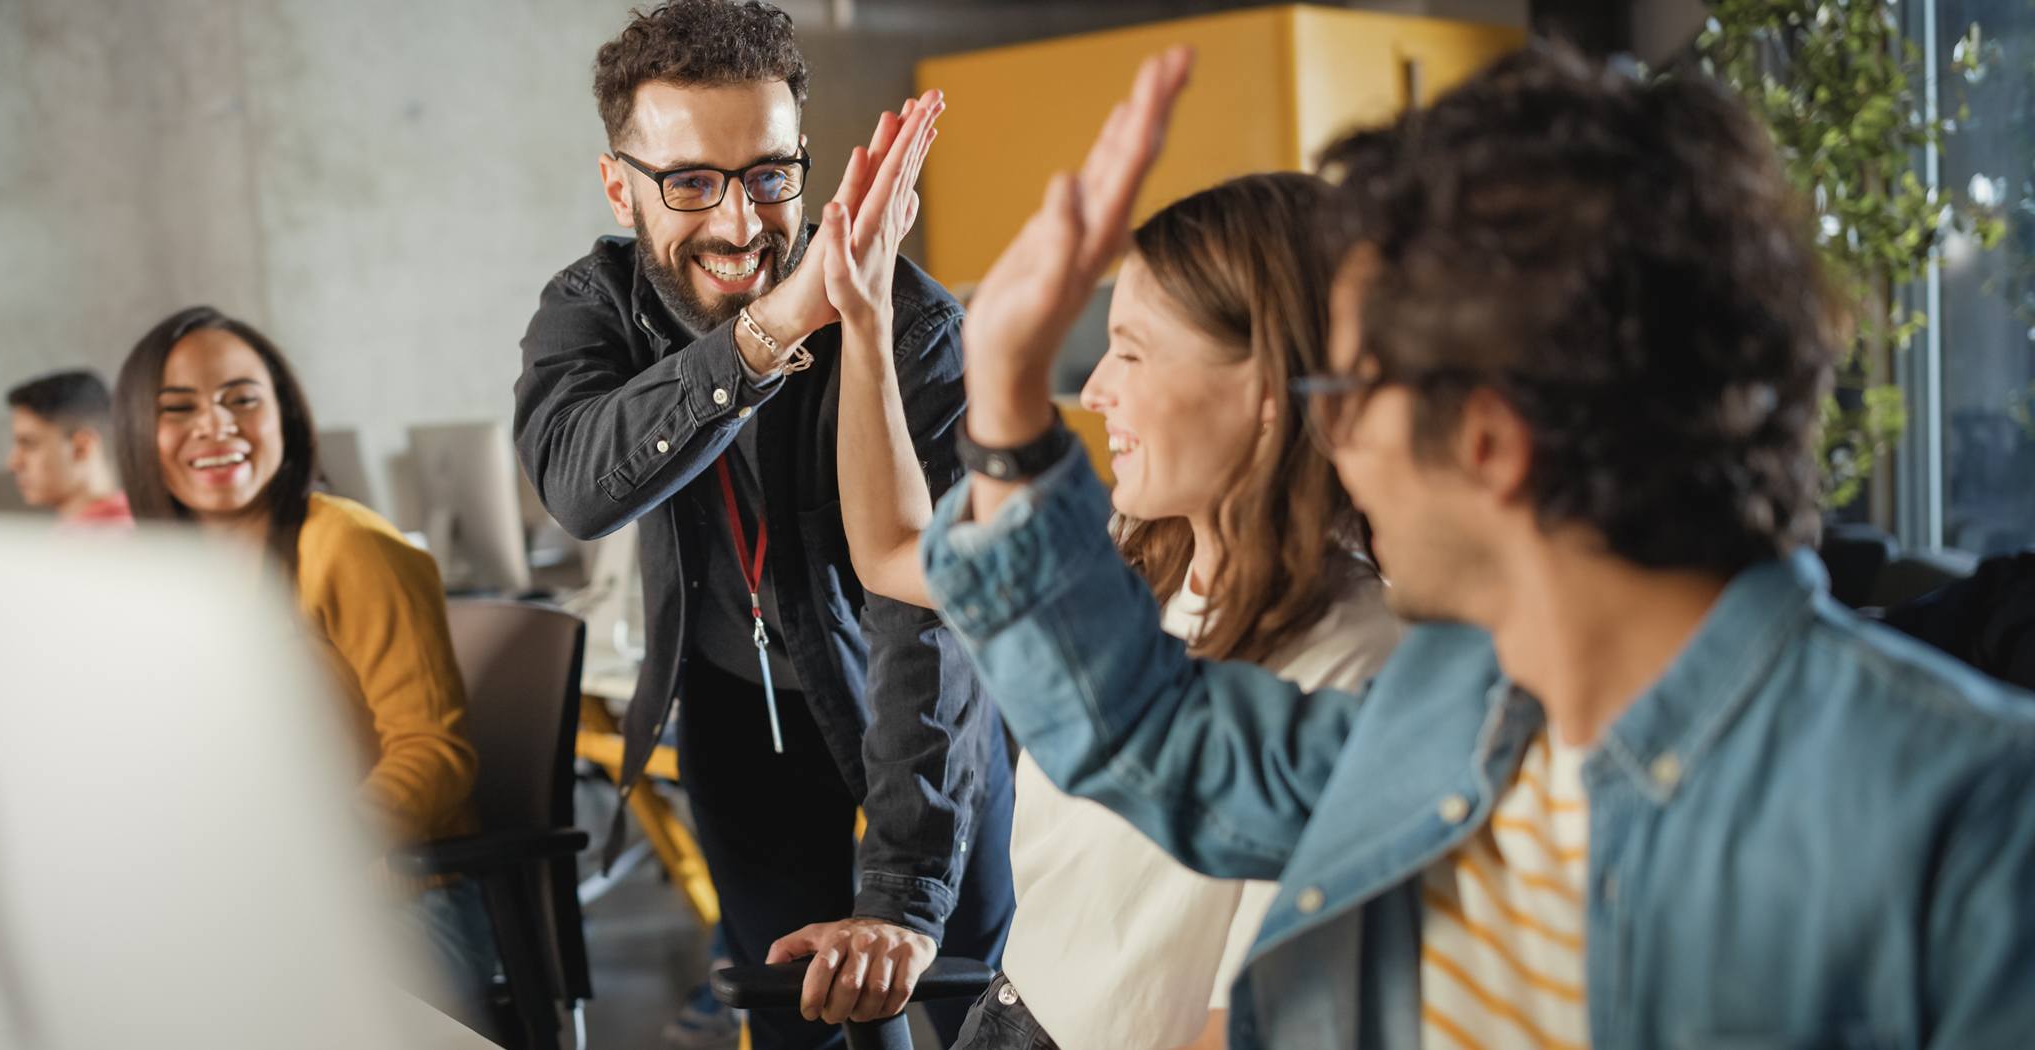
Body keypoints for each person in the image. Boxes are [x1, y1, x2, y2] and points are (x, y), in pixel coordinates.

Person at [922, 43, 2035, 1049]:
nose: (1331, 433)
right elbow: (1163, 736)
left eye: (1352, 390)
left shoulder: (1968, 834)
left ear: (1492, 442)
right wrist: (1009, 414)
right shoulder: (1465, 704)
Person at [512, 1, 1011, 1043]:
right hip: (740, 712)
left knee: (972, 1010)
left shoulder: (911, 326)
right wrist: (768, 330)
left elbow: (931, 617)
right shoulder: (593, 307)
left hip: (915, 712)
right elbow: (579, 482)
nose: (742, 224)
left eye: (770, 175)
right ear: (619, 185)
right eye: (691, 182)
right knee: (795, 1019)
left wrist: (906, 893)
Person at [819, 170, 1403, 1050]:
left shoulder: (1358, 663)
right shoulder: (1134, 557)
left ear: (1270, 389)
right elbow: (893, 552)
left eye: (1131, 351)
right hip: (1007, 1015)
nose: (1094, 392)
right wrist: (865, 322)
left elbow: (1247, 1027)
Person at [112, 305, 493, 1027]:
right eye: (179, 409)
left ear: (282, 415)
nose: (216, 427)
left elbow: (436, 755)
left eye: (242, 400)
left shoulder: (348, 546)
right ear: (138, 432)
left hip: (399, 899)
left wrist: (300, 862)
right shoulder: (164, 575)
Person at [4, 369, 130, 526]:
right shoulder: (80, 535)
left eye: (29, 444)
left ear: (81, 447)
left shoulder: (115, 539)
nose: (13, 463)